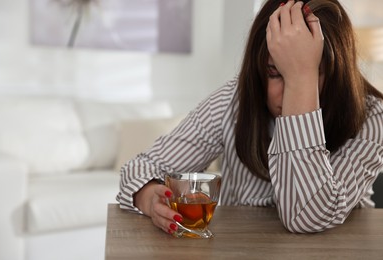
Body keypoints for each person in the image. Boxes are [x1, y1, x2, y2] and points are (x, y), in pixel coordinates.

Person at [116, 0, 383, 234]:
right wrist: (150, 197)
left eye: (314, 72)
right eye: (274, 72)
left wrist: (301, 77)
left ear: (337, 71)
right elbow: (140, 168)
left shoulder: (372, 117)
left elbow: (305, 217)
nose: (285, 91)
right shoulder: (234, 100)